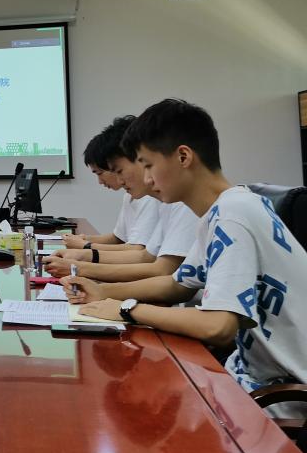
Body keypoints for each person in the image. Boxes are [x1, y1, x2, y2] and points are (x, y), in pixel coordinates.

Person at [64, 99, 307, 413]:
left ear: (183, 157)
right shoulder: (221, 211)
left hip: (280, 398)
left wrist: (127, 309)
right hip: (244, 377)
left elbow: (218, 327)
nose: (146, 179)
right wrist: (104, 293)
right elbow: (177, 284)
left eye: (148, 165)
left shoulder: (233, 215)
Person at [45, 129, 197, 282]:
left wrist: (84, 257)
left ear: (183, 158)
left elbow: (162, 270)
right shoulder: (167, 202)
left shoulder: (178, 203)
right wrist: (84, 254)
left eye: (148, 165)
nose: (119, 180)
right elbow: (145, 256)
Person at [63, 116, 160, 256]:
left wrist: (86, 247)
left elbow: (139, 251)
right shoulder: (132, 195)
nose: (119, 180)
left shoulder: (151, 197)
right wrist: (83, 240)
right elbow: (119, 237)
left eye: (118, 170)